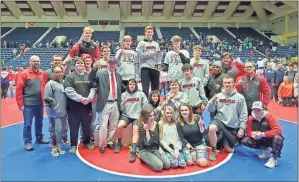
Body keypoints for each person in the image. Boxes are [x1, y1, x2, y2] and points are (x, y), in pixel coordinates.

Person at [207, 76, 248, 161]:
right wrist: (212, 101)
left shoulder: (240, 97)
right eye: (225, 83)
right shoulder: (218, 96)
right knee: (212, 128)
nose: (227, 84)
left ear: (233, 84)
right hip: (220, 120)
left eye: (229, 83)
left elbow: (243, 113)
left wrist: (242, 128)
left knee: (232, 148)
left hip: (233, 125)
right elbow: (210, 109)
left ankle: (225, 142)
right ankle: (214, 151)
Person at [16, 55, 49, 151]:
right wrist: (20, 104)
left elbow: (45, 87)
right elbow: (18, 89)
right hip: (28, 104)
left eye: (38, 61)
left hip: (39, 103)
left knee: (40, 122)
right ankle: (27, 142)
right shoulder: (24, 74)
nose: (36, 63)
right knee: (27, 124)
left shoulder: (43, 73)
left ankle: (39, 138)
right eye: (34, 61)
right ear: (30, 62)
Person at [89, 58, 122, 153]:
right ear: (107, 64)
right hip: (105, 103)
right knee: (103, 125)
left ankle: (110, 142)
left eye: (114, 63)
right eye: (111, 63)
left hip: (115, 103)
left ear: (116, 65)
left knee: (113, 125)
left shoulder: (118, 76)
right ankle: (102, 144)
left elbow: (121, 89)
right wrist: (94, 69)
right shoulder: (101, 74)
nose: (112, 65)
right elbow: (91, 80)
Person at [64, 57, 96, 154]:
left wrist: (89, 98)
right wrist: (81, 99)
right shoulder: (70, 76)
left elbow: (93, 89)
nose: (80, 65)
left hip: (86, 106)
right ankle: (73, 145)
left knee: (87, 126)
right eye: (78, 63)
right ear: (74, 65)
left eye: (82, 63)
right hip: (73, 107)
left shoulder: (89, 76)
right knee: (74, 126)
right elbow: (69, 91)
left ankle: (86, 142)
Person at [114, 79, 148, 162]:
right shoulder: (124, 94)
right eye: (130, 84)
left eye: (133, 84)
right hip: (126, 115)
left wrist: (142, 115)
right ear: (128, 85)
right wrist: (124, 102)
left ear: (136, 85)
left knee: (135, 130)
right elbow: (121, 108)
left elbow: (146, 105)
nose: (132, 85)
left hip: (137, 116)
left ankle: (133, 150)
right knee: (119, 126)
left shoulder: (141, 94)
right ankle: (119, 143)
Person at [241, 101, 283, 168]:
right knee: (245, 140)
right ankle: (265, 150)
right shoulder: (250, 119)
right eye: (254, 109)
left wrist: (262, 134)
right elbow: (248, 131)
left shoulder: (270, 117)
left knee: (278, 138)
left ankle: (274, 159)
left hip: (269, 139)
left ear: (263, 110)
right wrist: (252, 134)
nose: (256, 111)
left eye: (259, 110)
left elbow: (278, 131)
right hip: (259, 139)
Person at [139, 105, 171, 172]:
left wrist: (160, 147)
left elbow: (158, 139)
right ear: (145, 116)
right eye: (150, 116)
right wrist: (147, 131)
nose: (152, 117)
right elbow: (147, 143)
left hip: (155, 148)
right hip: (145, 150)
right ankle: (144, 159)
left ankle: (152, 159)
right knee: (159, 167)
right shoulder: (142, 127)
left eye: (153, 115)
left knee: (167, 165)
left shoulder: (156, 124)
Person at [44, 66, 67, 157]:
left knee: (61, 130)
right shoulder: (50, 84)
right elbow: (47, 98)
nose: (59, 74)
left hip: (63, 111)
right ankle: (54, 147)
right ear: (53, 73)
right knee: (56, 130)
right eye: (56, 72)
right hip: (54, 113)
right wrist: (55, 107)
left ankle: (58, 145)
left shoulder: (63, 83)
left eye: (60, 72)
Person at [136, 26, 162, 97]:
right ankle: (145, 105)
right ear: (145, 33)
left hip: (155, 68)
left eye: (151, 32)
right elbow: (138, 55)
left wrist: (159, 62)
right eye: (148, 32)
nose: (150, 33)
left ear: (153, 33)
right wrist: (151, 53)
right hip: (145, 68)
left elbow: (158, 57)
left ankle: (154, 105)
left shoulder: (156, 44)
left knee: (156, 89)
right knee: (145, 89)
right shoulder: (141, 43)